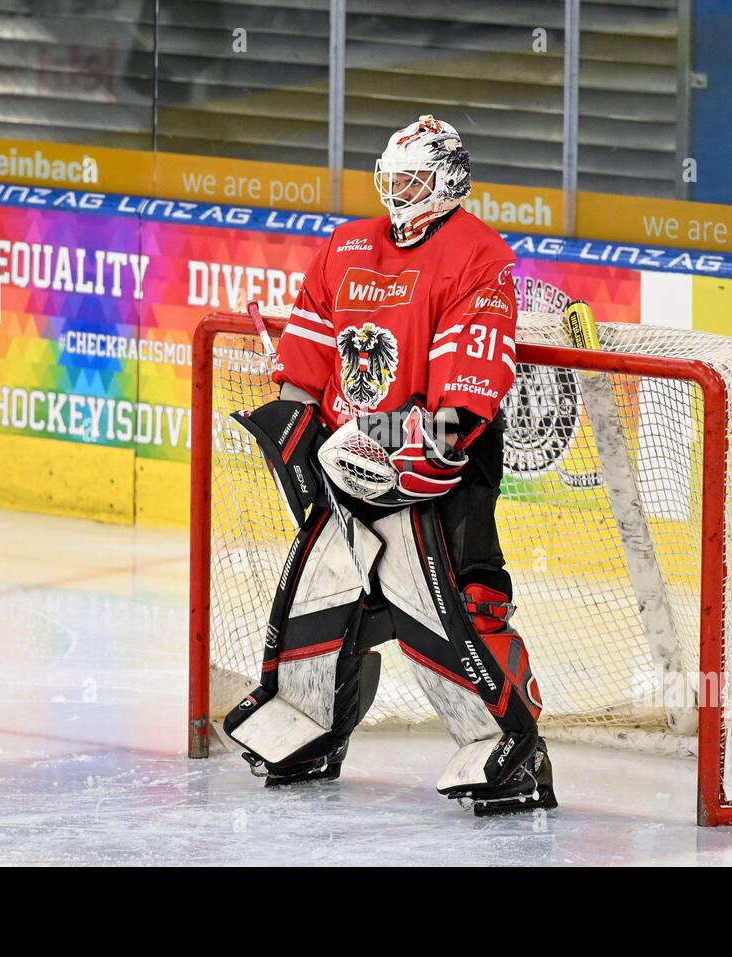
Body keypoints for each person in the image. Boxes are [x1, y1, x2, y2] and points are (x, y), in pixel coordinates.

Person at [223, 116, 555, 816]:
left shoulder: (478, 255)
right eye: (392, 179)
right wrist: (296, 429)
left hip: (443, 466)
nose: (400, 192)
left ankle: (515, 751)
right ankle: (309, 728)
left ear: (450, 180)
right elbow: (311, 352)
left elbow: (471, 378)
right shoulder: (348, 246)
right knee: (320, 597)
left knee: (464, 605)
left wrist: (432, 449)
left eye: (415, 180)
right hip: (352, 461)